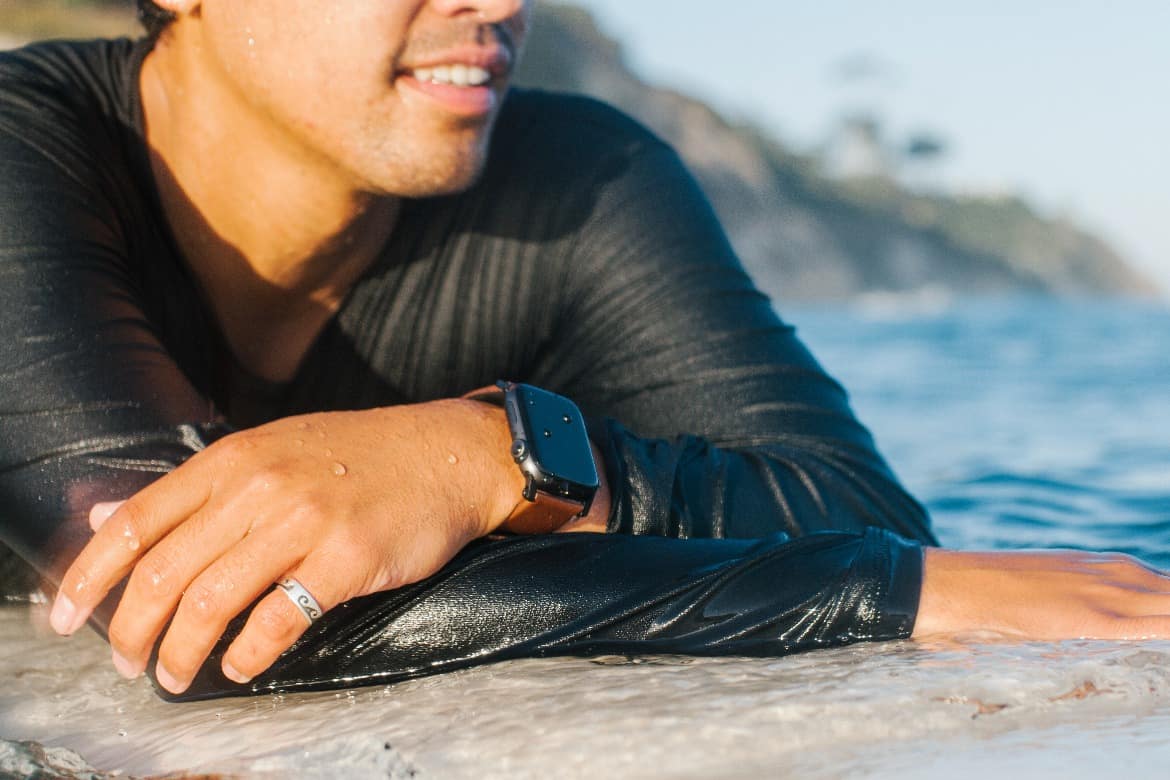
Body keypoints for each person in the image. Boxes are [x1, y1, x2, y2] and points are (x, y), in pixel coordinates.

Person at [1, 0, 1167, 703]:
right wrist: (873, 600)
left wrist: (497, 459)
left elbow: (852, 503)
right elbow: (185, 614)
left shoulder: (584, 178)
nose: (498, 5)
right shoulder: (24, 152)